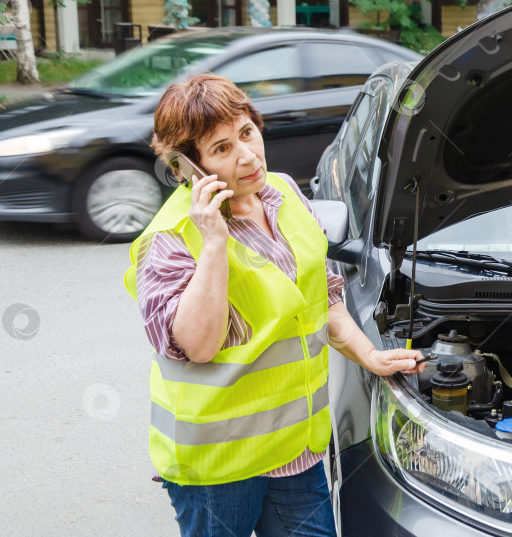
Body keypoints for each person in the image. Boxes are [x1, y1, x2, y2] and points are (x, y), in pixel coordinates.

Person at [123, 73, 424, 537]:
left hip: (296, 450)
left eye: (247, 133)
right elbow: (198, 345)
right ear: (186, 168)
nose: (246, 155)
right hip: (218, 467)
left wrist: (371, 356)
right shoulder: (169, 241)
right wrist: (214, 243)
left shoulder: (283, 193)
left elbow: (321, 299)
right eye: (221, 149)